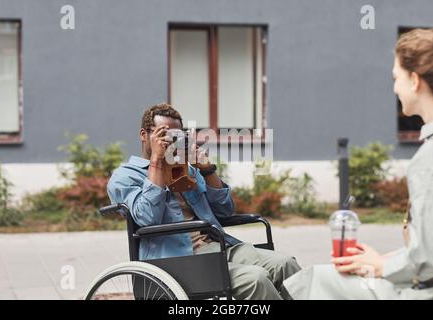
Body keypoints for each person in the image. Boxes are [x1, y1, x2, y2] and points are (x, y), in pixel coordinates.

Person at [283, 28, 433, 300]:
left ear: (415, 80)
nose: (394, 88)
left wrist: (381, 266)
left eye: (396, 78)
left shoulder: (431, 158)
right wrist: (383, 259)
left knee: (316, 279)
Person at [107, 103, 300, 300]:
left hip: (220, 246)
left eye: (177, 136)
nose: (170, 142)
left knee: (285, 264)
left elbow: (225, 211)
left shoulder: (187, 170)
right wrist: (157, 161)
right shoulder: (124, 177)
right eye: (164, 134)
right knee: (256, 279)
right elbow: (147, 218)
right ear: (143, 135)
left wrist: (207, 170)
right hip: (179, 260)